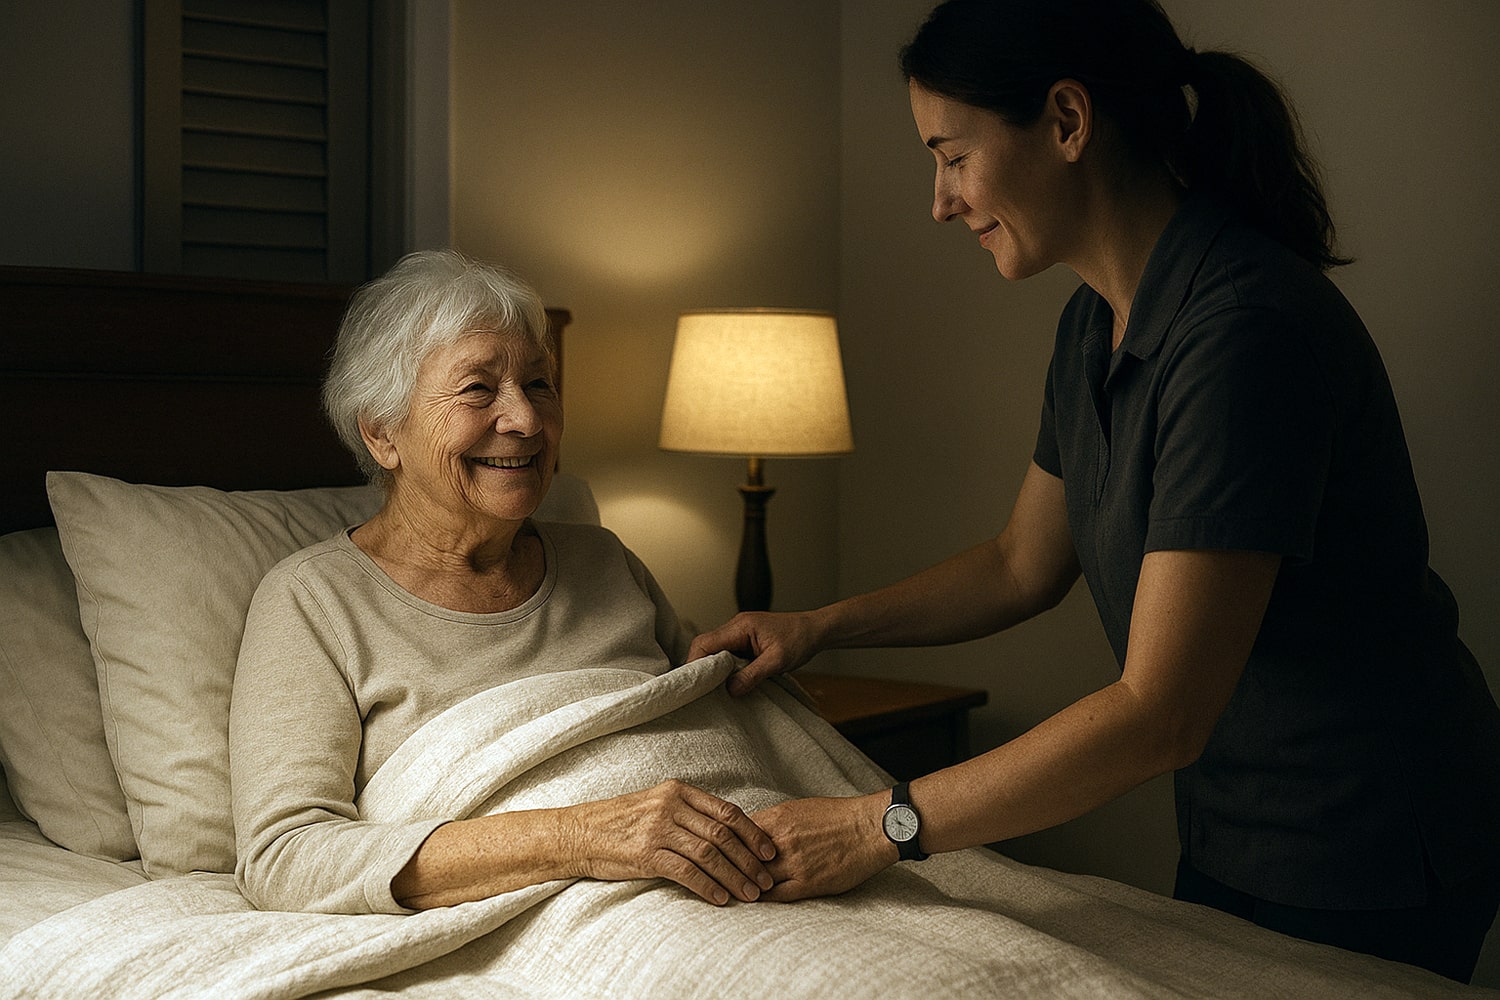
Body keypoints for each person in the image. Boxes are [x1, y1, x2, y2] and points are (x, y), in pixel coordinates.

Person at [689, 0, 1500, 982]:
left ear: (1067, 122)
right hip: (1233, 827)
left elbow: (1160, 710)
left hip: (1372, 839)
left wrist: (880, 823)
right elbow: (1021, 563)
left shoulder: (1244, 334)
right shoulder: (1092, 325)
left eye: (952, 155)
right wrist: (818, 625)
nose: (940, 201)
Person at [229, 249, 777, 915]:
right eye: (477, 389)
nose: (524, 420)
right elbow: (286, 859)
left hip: (751, 875)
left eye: (539, 384)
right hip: (568, 917)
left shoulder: (606, 562)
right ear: (382, 433)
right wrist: (586, 835)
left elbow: (713, 727)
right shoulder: (313, 603)